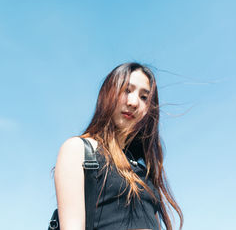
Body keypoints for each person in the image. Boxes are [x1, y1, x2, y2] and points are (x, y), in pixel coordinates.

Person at [53, 62, 183, 230]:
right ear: (108, 94)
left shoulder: (145, 172)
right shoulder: (79, 150)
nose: (134, 102)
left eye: (144, 97)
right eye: (127, 90)